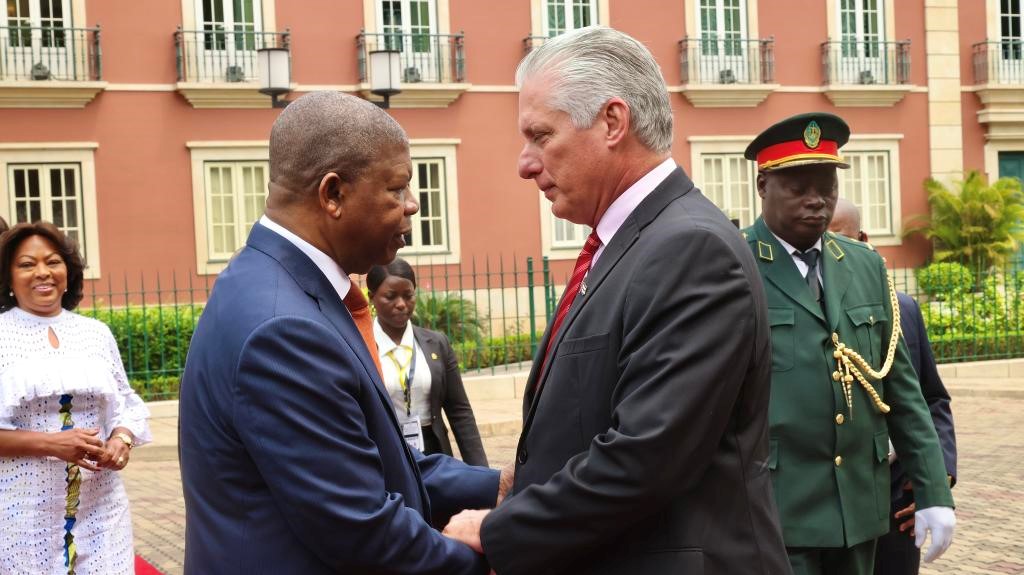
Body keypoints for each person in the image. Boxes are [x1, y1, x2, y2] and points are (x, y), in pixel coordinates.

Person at [443, 26, 790, 575]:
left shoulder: (689, 248)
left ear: (611, 122)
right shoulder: (632, 243)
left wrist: (497, 531)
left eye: (540, 135)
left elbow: (646, 455)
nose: (525, 163)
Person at [178, 91, 505, 574]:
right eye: (397, 189)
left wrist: (498, 487)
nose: (413, 206)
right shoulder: (283, 330)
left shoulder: (285, 287)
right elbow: (359, 525)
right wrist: (495, 562)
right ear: (333, 194)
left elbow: (378, 461)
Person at [741, 112, 956, 575]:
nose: (816, 201)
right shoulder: (732, 265)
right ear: (763, 186)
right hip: (777, 508)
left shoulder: (864, 266)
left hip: (859, 506)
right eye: (799, 188)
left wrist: (933, 489)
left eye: (826, 188)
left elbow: (901, 389)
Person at [0, 221, 151, 574]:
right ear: (8, 277)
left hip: (102, 506)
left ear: (68, 272)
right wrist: (52, 444)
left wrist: (121, 439)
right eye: (26, 264)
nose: (43, 272)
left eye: (53, 261)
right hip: (23, 511)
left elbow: (126, 403)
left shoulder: (96, 334)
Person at [828, 198, 958, 575]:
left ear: (864, 240)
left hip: (896, 496)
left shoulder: (902, 308)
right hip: (835, 493)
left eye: (839, 238)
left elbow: (931, 397)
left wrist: (937, 475)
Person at [367, 258, 488, 465]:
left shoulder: (437, 344)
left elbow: (459, 412)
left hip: (432, 451)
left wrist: (483, 472)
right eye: (390, 296)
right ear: (372, 298)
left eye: (408, 296)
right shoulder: (361, 346)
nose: (401, 304)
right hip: (384, 453)